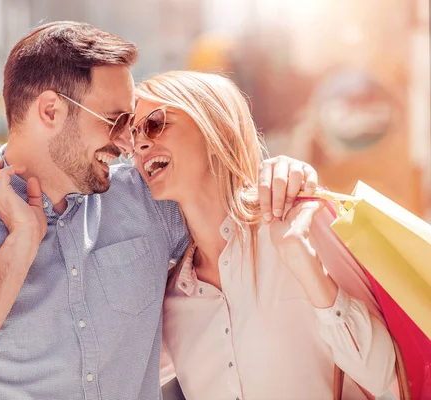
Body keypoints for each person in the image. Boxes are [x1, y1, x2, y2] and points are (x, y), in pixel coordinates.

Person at [0, 22, 318, 399]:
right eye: (115, 121)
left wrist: (280, 169)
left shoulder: (149, 199)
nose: (128, 142)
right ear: (51, 110)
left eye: (134, 125)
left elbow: (226, 197)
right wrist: (21, 243)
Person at [126, 71, 396, 399]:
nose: (140, 143)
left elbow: (384, 377)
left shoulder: (303, 223)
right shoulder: (170, 301)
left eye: (155, 123)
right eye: (134, 133)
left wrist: (304, 262)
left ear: (214, 126)